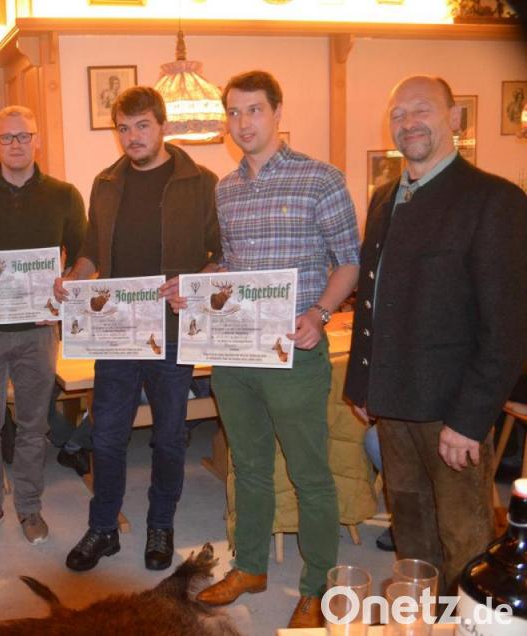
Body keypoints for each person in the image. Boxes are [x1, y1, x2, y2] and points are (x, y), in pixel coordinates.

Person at [344, 75, 527, 593]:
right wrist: (363, 384)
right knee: (410, 529)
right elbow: (373, 300)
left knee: (464, 538)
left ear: (454, 118)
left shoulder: (494, 199)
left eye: (421, 110)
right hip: (394, 403)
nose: (408, 123)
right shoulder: (384, 198)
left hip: (452, 412)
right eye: (398, 115)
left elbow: (507, 327)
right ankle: (421, 618)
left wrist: (468, 422)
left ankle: (464, 620)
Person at [195, 70, 360, 629]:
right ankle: (250, 567)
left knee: (310, 474)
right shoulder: (225, 188)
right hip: (237, 354)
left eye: (254, 110)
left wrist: (320, 312)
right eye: (234, 112)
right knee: (247, 466)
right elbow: (230, 265)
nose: (243, 123)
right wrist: (197, 285)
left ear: (277, 112)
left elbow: (349, 261)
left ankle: (317, 588)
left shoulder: (321, 178)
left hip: (295, 351)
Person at [53, 86, 222, 572]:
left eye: (142, 125)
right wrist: (74, 279)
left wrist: (195, 282)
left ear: (162, 125)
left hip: (173, 330)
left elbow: (220, 254)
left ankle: (160, 525)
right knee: (107, 436)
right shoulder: (105, 183)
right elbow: (91, 251)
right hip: (117, 332)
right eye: (123, 128)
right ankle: (103, 527)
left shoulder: (201, 182)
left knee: (168, 438)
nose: (132, 137)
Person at [0, 105, 86, 544]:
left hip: (37, 331)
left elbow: (85, 256)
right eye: (7, 137)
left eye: (24, 136)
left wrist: (69, 284)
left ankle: (29, 507)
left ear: (37, 141)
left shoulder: (64, 195)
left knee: (34, 427)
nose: (16, 144)